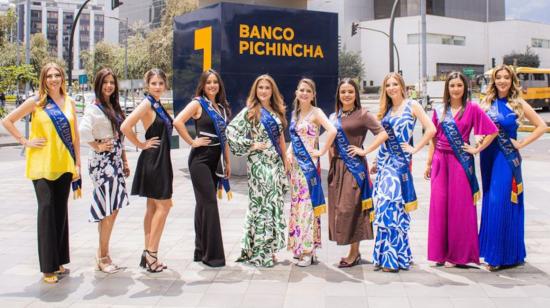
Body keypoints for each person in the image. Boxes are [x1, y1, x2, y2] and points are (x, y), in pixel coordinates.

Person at [2, 62, 81, 283]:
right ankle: (48, 267)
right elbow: (7, 121)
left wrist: (78, 165)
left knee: (60, 212)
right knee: (46, 211)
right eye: (49, 76)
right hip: (41, 166)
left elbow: (75, 138)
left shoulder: (70, 103)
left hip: (64, 164)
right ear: (43, 79)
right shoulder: (36, 102)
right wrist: (24, 141)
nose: (54, 79)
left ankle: (59, 261)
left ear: (63, 78)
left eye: (57, 75)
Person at [425, 72, 497, 267]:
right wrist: (429, 162)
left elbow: (492, 131)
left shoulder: (472, 108)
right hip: (440, 160)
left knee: (461, 207)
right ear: (447, 88)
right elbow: (433, 137)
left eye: (459, 85)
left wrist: (476, 148)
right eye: (452, 85)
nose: (455, 89)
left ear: (465, 87)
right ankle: (440, 253)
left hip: (460, 162)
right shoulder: (439, 109)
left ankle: (460, 256)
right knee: (439, 206)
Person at [478, 65, 547, 271]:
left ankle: (498, 256)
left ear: (512, 80)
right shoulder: (486, 102)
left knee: (502, 200)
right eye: (498, 78)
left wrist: (522, 143)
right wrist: (479, 138)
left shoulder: (517, 103)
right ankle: (505, 253)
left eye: (506, 77)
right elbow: (478, 127)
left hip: (507, 158)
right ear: (494, 81)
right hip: (488, 156)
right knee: (491, 201)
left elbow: (542, 126)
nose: (502, 81)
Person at [371, 72, 436, 272]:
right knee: (383, 208)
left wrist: (415, 149)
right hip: (384, 164)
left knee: (393, 207)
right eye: (388, 85)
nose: (391, 88)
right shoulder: (386, 111)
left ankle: (393, 259)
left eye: (395, 84)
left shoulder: (412, 105)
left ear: (402, 86)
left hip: (399, 165)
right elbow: (383, 140)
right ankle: (392, 256)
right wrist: (375, 160)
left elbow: (431, 129)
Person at [226, 74, 290, 267]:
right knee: (262, 206)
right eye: (260, 87)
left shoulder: (277, 111)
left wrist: (285, 159)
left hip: (275, 163)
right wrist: (251, 144)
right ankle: (261, 252)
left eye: (267, 88)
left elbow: (279, 137)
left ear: (272, 91)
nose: (263, 91)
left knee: (273, 205)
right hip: (259, 164)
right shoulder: (251, 110)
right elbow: (230, 131)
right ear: (256, 90)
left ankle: (267, 249)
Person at [327, 78, 387, 268]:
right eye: (343, 91)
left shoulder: (363, 114)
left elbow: (383, 133)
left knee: (350, 209)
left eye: (350, 92)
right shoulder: (333, 117)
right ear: (338, 94)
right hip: (337, 168)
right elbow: (331, 144)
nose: (346, 95)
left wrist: (365, 151)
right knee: (339, 210)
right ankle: (354, 251)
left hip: (354, 168)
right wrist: (331, 167)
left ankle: (354, 253)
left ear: (356, 94)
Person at [174, 69, 231, 267]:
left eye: (215, 82)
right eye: (209, 83)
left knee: (202, 205)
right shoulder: (198, 103)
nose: (212, 85)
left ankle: (200, 250)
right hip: (200, 161)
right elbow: (178, 121)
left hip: (216, 160)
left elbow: (225, 138)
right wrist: (192, 141)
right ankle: (213, 256)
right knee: (210, 204)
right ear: (203, 85)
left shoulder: (221, 107)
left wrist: (227, 162)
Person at [120, 68, 173, 273]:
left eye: (161, 83)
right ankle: (152, 254)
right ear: (147, 85)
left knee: (152, 207)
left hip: (160, 159)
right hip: (154, 160)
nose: (158, 87)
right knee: (164, 206)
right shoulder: (147, 103)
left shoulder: (157, 104)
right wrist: (140, 144)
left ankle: (148, 253)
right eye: (154, 83)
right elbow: (125, 126)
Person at [79, 68, 130, 273]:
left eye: (112, 82)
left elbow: (120, 136)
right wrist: (97, 145)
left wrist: (124, 161)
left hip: (115, 161)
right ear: (98, 85)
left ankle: (103, 253)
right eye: (105, 82)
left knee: (112, 208)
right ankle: (102, 257)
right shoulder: (94, 107)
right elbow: (83, 131)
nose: (109, 86)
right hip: (103, 163)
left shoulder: (112, 106)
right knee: (108, 209)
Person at [286, 78, 336, 267]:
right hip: (295, 170)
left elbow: (332, 131)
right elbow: (293, 139)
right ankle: (302, 248)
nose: (304, 93)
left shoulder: (317, 112)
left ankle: (308, 251)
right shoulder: (295, 114)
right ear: (296, 93)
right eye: (302, 90)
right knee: (298, 207)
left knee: (307, 206)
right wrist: (289, 154)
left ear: (313, 95)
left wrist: (321, 151)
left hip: (308, 168)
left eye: (308, 91)